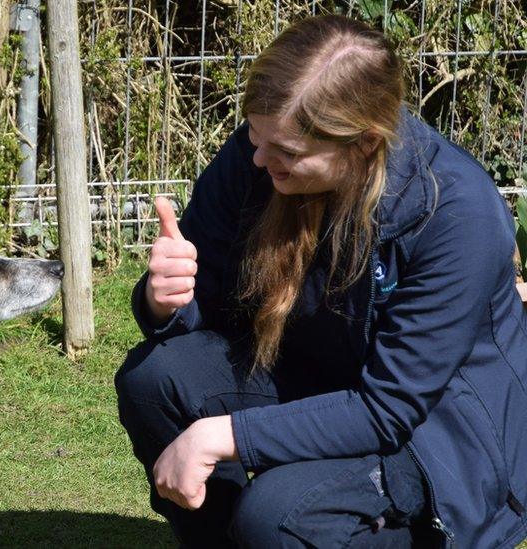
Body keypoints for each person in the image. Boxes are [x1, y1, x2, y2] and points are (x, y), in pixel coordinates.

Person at [114, 14, 527, 548]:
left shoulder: (457, 214)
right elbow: (207, 303)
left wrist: (226, 435)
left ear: (362, 144)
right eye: (256, 137)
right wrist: (166, 300)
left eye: (285, 152)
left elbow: (389, 408)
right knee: (156, 380)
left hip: (438, 437)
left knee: (277, 514)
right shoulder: (259, 154)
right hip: (321, 377)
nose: (260, 160)